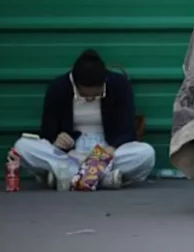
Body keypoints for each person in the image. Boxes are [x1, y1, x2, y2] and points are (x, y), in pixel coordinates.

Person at [13, 49, 156, 190]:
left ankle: (68, 177)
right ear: (75, 84)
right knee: (22, 147)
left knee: (145, 153)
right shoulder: (58, 88)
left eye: (95, 96)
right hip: (71, 153)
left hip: (106, 149)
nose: (90, 99)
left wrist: (111, 149)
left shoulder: (120, 85)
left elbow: (127, 130)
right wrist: (58, 139)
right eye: (84, 96)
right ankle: (103, 179)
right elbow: (47, 132)